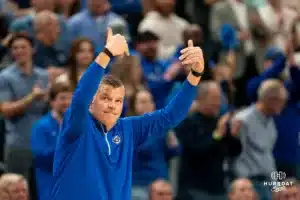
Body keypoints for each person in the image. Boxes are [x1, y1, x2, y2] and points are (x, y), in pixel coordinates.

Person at [50, 28, 204, 200]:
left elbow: (171, 116)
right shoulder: (77, 125)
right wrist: (106, 53)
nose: (112, 105)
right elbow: (80, 98)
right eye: (106, 98)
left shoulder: (128, 128)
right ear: (91, 101)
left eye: (118, 100)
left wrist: (195, 75)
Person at [31, 81, 73, 200]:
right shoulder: (41, 127)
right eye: (62, 98)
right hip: (51, 188)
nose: (67, 102)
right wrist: (68, 146)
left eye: (70, 98)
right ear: (52, 101)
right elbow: (40, 157)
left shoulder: (80, 126)